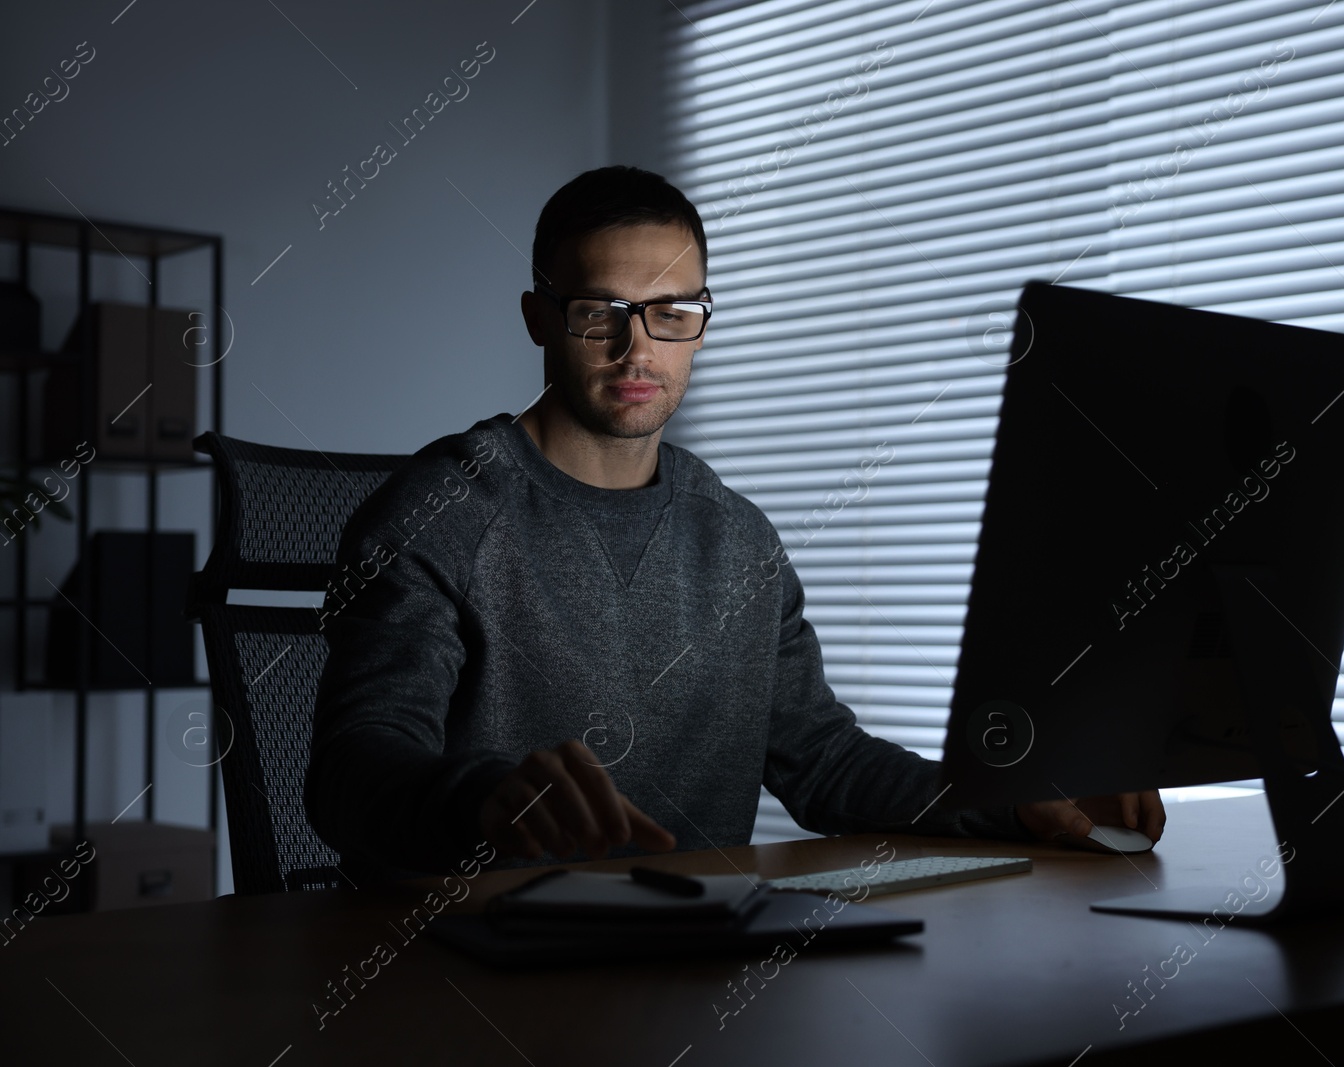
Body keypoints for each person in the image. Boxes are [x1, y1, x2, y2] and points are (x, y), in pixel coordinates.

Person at [304, 165, 1164, 881]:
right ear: (540, 318)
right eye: (599, 312)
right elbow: (351, 771)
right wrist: (474, 798)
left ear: (702, 325)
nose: (636, 350)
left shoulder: (739, 539)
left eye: (671, 313)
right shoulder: (443, 512)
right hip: (473, 962)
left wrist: (1013, 798)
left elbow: (823, 758)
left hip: (694, 962)